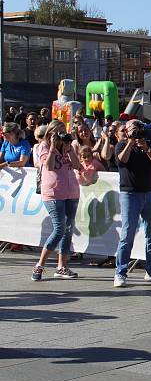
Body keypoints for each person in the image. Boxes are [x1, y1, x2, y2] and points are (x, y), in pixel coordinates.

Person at [113, 119, 151, 287]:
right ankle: (120, 273)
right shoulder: (121, 145)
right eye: (133, 128)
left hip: (149, 192)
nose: (136, 131)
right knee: (127, 233)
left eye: (139, 128)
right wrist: (130, 141)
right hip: (130, 193)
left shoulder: (147, 144)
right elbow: (122, 161)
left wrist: (145, 147)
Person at [31, 120, 82, 281]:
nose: (61, 136)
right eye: (58, 133)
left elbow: (77, 165)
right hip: (53, 193)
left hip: (71, 191)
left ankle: (62, 266)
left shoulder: (68, 146)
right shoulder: (43, 147)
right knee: (59, 229)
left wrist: (68, 149)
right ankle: (40, 265)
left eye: (63, 132)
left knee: (68, 229)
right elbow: (49, 167)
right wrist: (53, 147)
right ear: (51, 133)